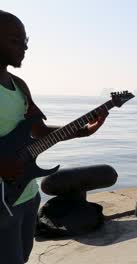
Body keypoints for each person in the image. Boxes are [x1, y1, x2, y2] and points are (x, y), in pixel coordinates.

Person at [0, 10, 108, 264]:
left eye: (25, 42)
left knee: (22, 257)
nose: (23, 48)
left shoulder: (20, 86)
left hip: (26, 194)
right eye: (15, 40)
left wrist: (86, 130)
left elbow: (40, 132)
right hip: (2, 200)